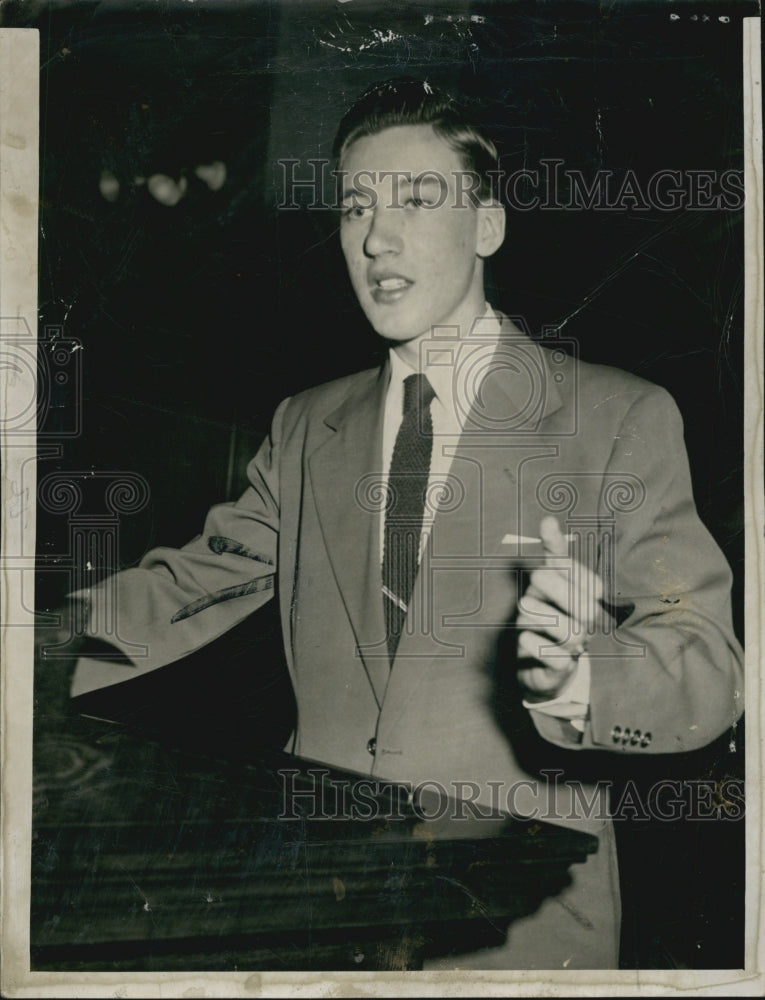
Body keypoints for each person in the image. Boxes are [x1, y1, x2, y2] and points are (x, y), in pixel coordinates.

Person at [60, 78, 743, 968]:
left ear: (487, 227)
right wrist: (36, 651)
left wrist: (581, 675)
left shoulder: (613, 416)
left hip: (518, 918)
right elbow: (191, 585)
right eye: (354, 208)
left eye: (417, 200)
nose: (376, 237)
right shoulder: (307, 424)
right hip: (315, 905)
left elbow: (706, 667)